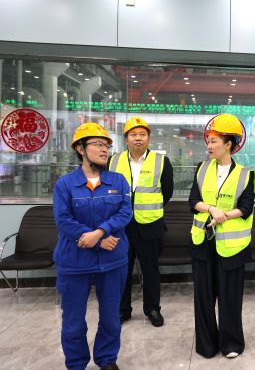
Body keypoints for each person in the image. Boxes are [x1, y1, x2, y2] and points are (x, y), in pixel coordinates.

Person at [53, 123, 132, 370]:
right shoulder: (65, 184)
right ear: (80, 149)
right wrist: (97, 239)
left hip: (112, 259)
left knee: (110, 317)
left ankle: (107, 359)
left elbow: (125, 213)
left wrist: (99, 232)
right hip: (75, 261)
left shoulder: (118, 181)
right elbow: (64, 221)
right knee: (73, 321)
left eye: (107, 145)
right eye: (98, 144)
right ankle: (76, 364)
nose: (105, 149)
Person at [188, 113, 255, 359]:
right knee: (203, 297)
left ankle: (232, 343)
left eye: (214, 141)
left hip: (232, 245)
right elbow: (193, 201)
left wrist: (225, 215)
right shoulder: (201, 169)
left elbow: (246, 207)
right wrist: (211, 209)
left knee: (230, 297)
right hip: (203, 241)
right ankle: (206, 344)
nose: (209, 145)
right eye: (208, 140)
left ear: (229, 144)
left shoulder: (246, 174)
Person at [109, 117, 174, 327]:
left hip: (150, 224)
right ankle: (122, 310)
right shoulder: (113, 161)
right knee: (122, 270)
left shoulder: (161, 161)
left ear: (149, 138)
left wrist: (147, 206)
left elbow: (167, 192)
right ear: (126, 138)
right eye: (133, 134)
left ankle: (152, 309)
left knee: (151, 270)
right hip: (121, 226)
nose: (138, 138)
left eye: (142, 134)